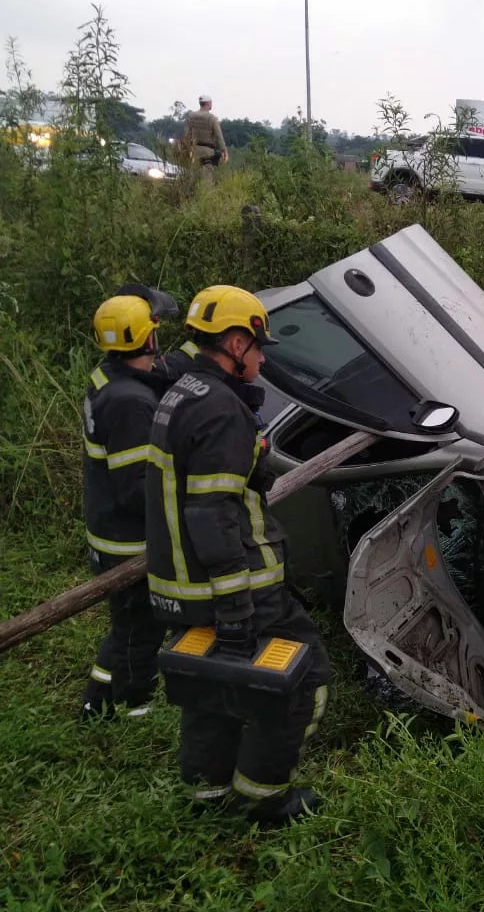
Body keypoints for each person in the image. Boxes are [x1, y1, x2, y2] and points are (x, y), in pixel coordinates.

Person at [144, 284, 330, 824]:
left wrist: (252, 451)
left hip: (180, 584)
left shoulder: (182, 393)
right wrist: (235, 608)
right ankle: (265, 798)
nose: (263, 357)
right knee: (302, 682)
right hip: (236, 586)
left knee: (208, 689)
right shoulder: (223, 410)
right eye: (257, 345)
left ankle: (208, 799)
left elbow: (195, 485)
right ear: (232, 342)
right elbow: (212, 514)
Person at [79, 288, 178, 719]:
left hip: (106, 528)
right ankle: (127, 705)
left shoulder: (108, 379)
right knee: (139, 627)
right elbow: (138, 489)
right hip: (127, 540)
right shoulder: (132, 403)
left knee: (128, 625)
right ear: (149, 339)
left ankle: (100, 697)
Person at [183, 95, 229, 169]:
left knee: (194, 175)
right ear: (208, 103)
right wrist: (224, 150)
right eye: (211, 103)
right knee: (207, 177)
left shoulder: (191, 116)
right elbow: (218, 136)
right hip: (208, 152)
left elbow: (187, 135)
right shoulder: (212, 118)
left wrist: (186, 149)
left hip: (194, 150)